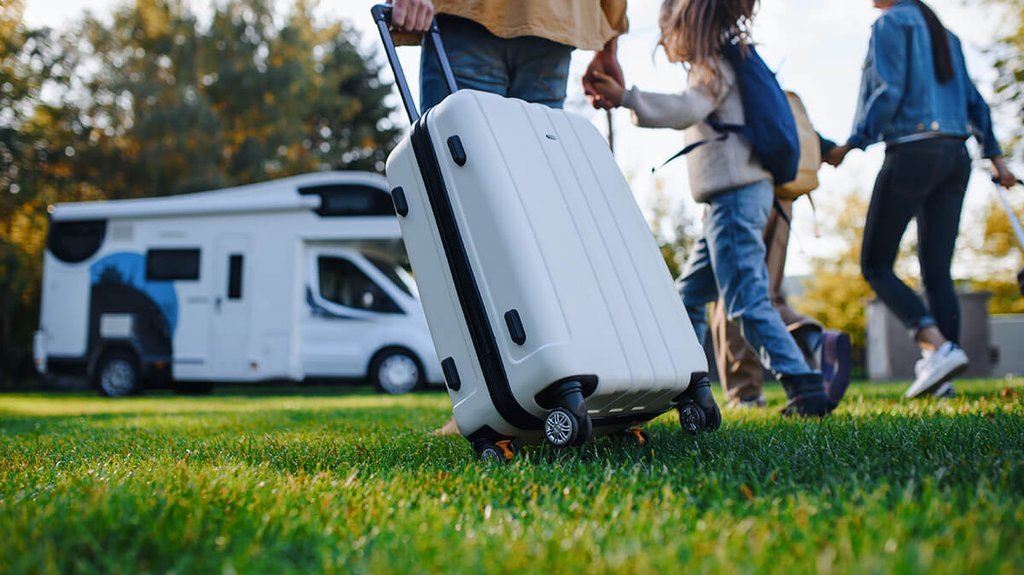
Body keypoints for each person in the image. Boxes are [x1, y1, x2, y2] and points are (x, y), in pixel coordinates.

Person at [389, 0, 631, 434]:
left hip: (474, 14)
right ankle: (536, 387)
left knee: (462, 212)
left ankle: (496, 397)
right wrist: (608, 36)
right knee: (532, 215)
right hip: (558, 18)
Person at [588, 0, 834, 417]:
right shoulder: (731, 59)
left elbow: (688, 108)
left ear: (685, 26)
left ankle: (805, 387)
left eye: (667, 31)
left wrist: (627, 97)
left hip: (735, 198)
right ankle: (686, 383)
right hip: (730, 201)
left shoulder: (713, 64)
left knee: (746, 301)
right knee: (688, 297)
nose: (666, 41)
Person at [825, 0, 1018, 399]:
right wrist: (996, 159)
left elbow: (888, 91)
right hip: (955, 156)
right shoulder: (946, 34)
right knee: (937, 270)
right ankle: (942, 376)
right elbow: (975, 102)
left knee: (875, 263)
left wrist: (853, 143)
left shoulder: (890, 23)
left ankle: (936, 345)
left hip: (912, 151)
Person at [710, 134, 852, 409]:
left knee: (733, 296)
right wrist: (837, 147)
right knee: (764, 296)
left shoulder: (734, 99)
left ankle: (746, 393)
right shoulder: (784, 107)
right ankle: (815, 339)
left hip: (741, 190)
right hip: (783, 195)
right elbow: (807, 137)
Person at [388, 0, 628, 114]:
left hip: (469, 15)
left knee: (455, 171)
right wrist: (608, 45)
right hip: (556, 21)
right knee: (534, 175)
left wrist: (608, 48)